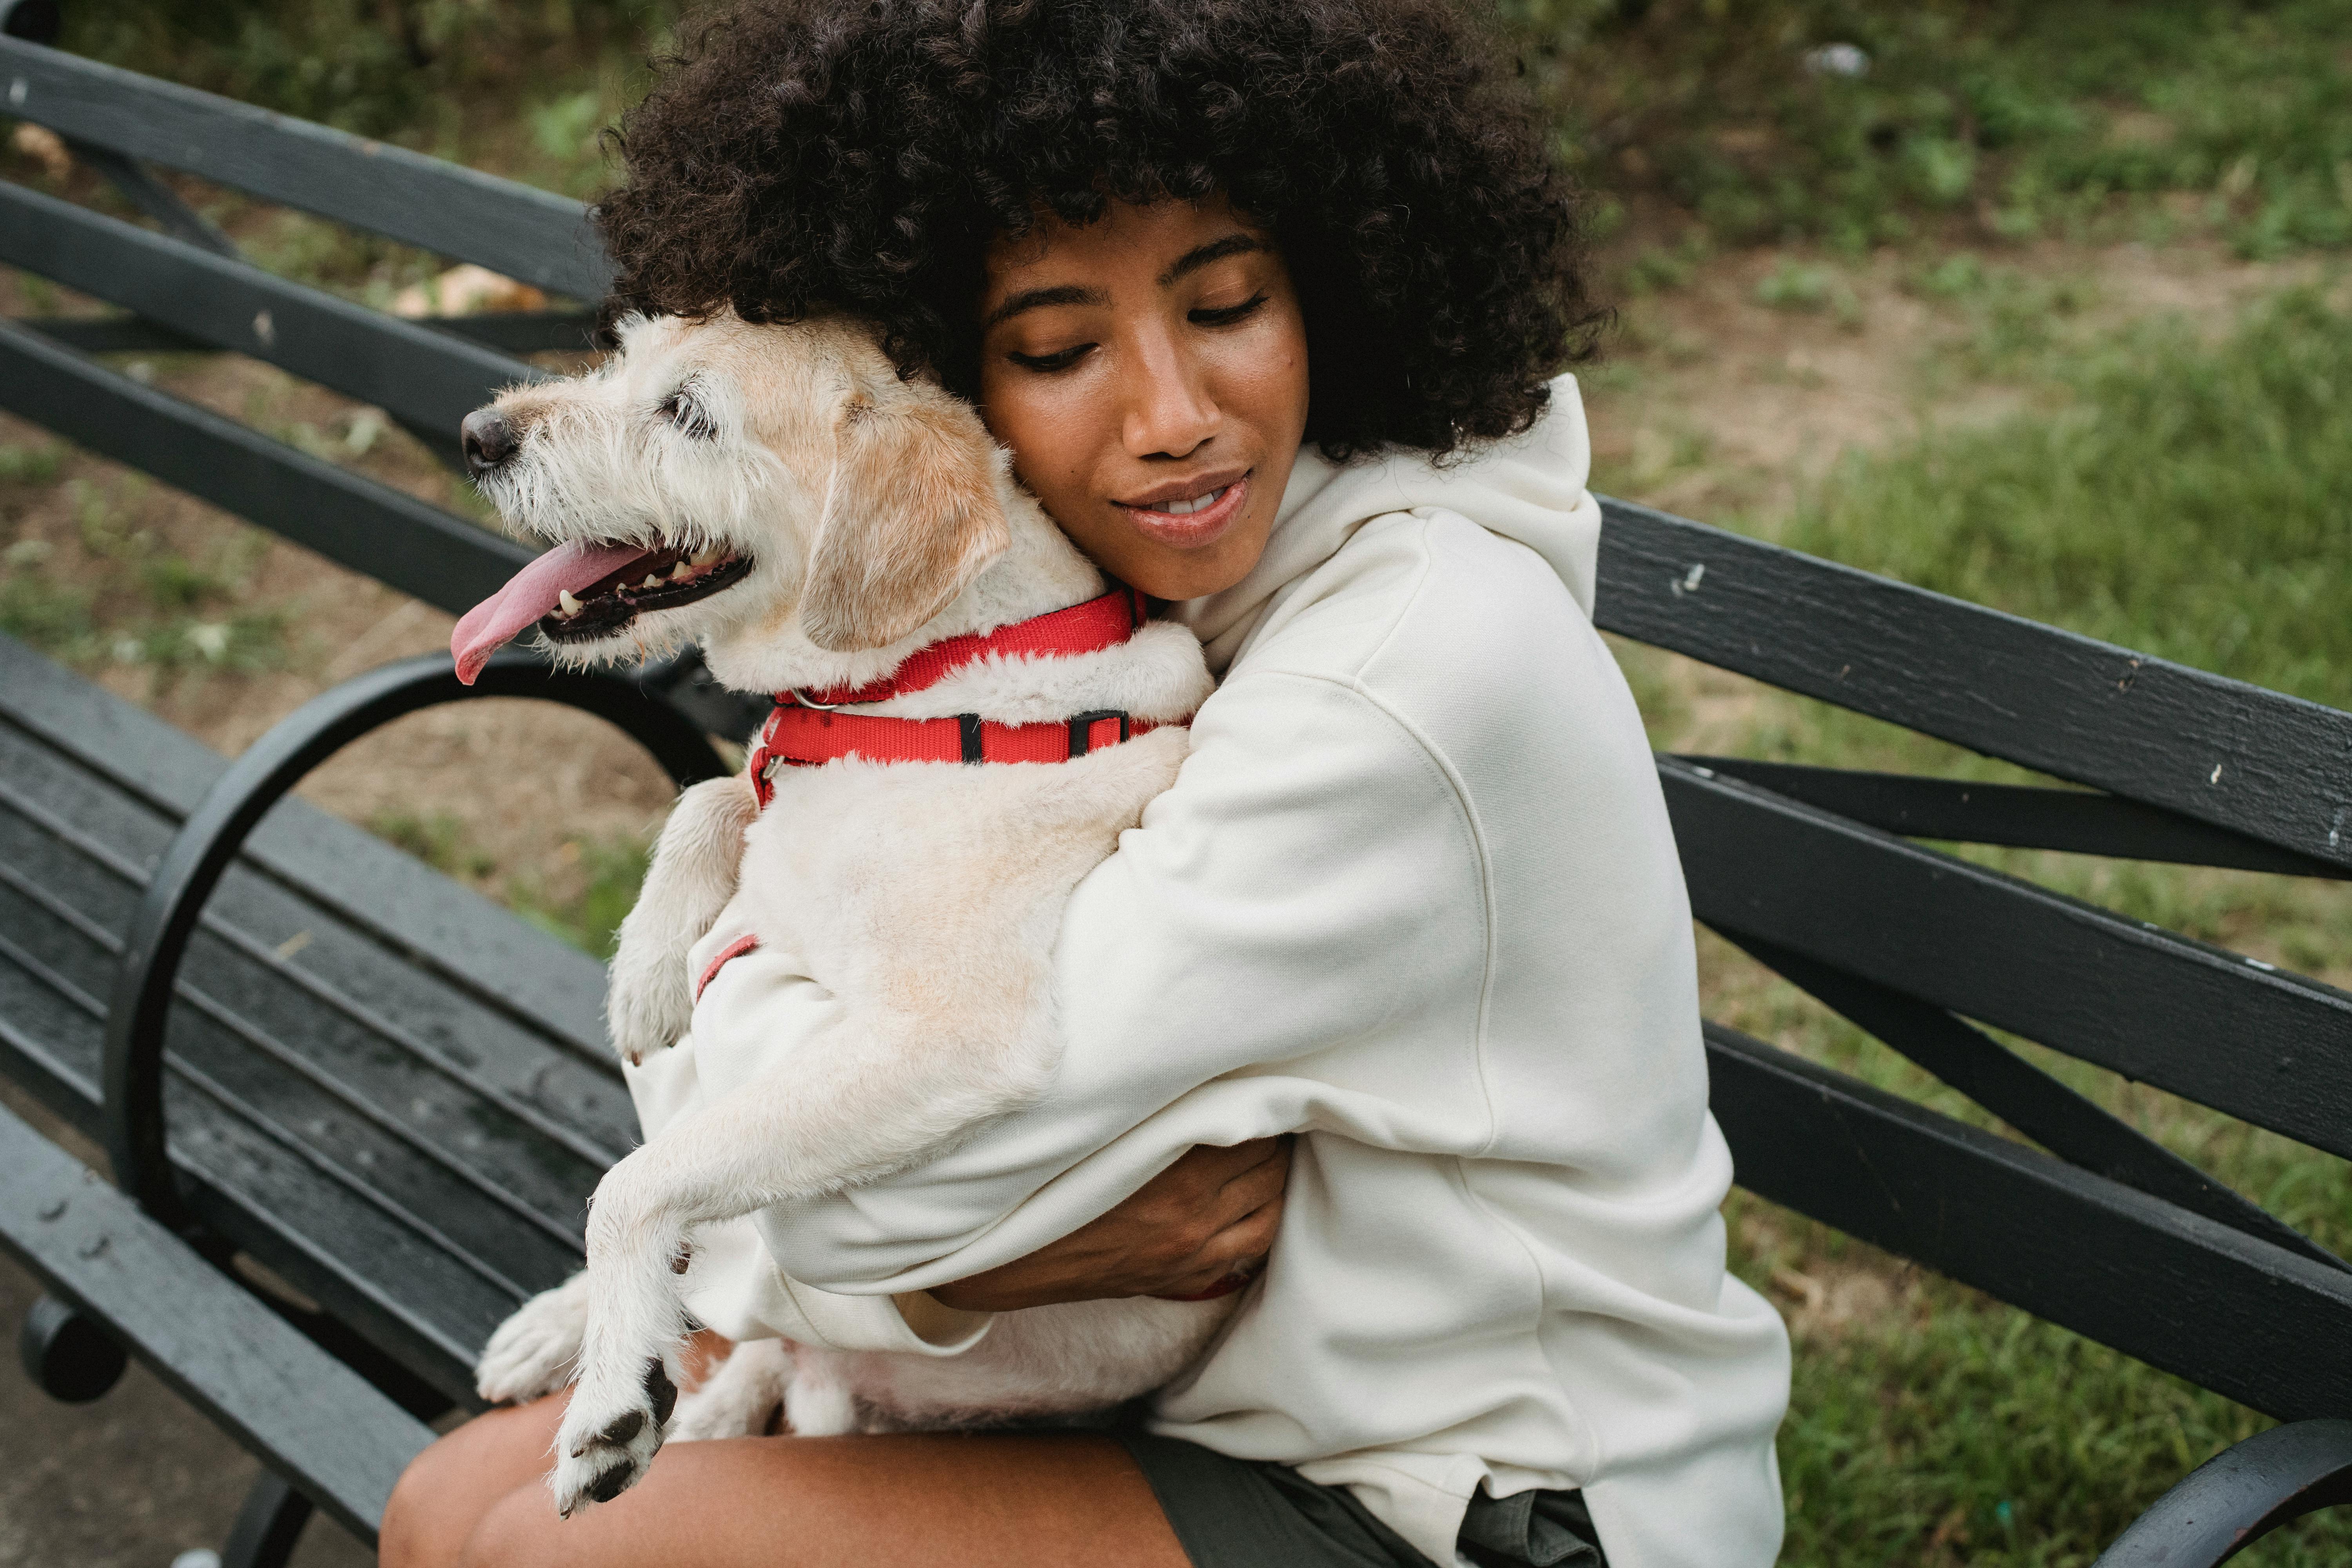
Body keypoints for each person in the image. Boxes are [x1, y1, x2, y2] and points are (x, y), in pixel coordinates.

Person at [379, 2, 1792, 1565]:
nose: (1175, 416)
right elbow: (923, 1196)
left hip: (1471, 1500)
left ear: (1335, 283)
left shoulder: (1397, 672)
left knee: (548, 1555)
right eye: (1057, 350)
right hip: (1201, 1412)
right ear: (952, 396)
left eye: (1234, 304)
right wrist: (965, 1264)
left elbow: (923, 1144)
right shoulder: (1158, 592)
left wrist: (905, 1246)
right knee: (445, 1505)